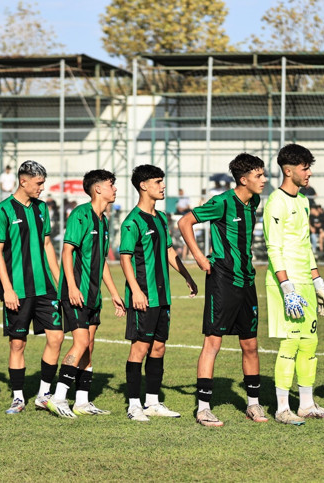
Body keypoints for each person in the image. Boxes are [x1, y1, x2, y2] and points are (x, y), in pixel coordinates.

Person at [177, 153, 268, 427]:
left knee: (250, 344)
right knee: (213, 343)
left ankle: (253, 404)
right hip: (222, 280)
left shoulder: (254, 201)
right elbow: (184, 222)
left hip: (247, 280)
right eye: (258, 175)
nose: (264, 180)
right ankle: (203, 408)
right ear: (243, 179)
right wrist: (199, 257)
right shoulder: (222, 202)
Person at [264, 144, 324, 425]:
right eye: (304, 168)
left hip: (305, 281)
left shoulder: (303, 201)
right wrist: (287, 289)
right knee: (291, 342)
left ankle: (306, 405)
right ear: (288, 170)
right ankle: (282, 408)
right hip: (285, 284)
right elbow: (273, 248)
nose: (309, 173)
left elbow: (305, 245)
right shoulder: (276, 202)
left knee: (310, 343)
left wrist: (318, 281)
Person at [119, 164, 198, 421]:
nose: (163, 186)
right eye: (157, 182)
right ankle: (134, 406)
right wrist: (136, 291)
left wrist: (186, 276)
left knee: (159, 348)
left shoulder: (162, 218)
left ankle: (152, 402)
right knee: (139, 349)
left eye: (162, 181)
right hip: (144, 295)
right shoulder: (132, 222)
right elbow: (125, 258)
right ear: (143, 186)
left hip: (162, 296)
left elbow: (169, 250)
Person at [47, 169, 126, 418]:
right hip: (76, 293)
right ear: (98, 188)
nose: (115, 188)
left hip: (93, 295)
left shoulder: (103, 220)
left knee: (89, 346)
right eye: (111, 184)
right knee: (80, 342)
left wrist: (113, 293)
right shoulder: (80, 214)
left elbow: (101, 262)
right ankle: (57, 398)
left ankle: (82, 401)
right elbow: (67, 251)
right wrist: (71, 287)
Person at [0, 160, 64, 415]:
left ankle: (43, 394)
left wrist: (60, 282)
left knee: (56, 337)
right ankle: (18, 398)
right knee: (17, 344)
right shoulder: (2, 210)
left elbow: (47, 246)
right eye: (39, 183)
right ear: (23, 181)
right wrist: (7, 289)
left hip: (45, 287)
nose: (42, 188)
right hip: (17, 290)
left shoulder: (42, 208)